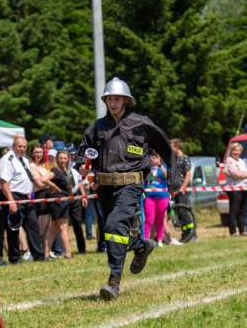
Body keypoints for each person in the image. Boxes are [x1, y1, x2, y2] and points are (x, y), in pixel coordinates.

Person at [76, 77, 179, 301]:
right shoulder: (97, 127)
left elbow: (166, 148)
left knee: (114, 226)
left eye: (117, 99)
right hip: (104, 186)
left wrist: (173, 181)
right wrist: (81, 166)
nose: (112, 103)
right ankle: (141, 247)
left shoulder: (141, 123)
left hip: (132, 185)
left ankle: (114, 281)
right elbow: (83, 153)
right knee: (113, 232)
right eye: (109, 99)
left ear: (126, 100)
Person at [0, 137, 50, 265]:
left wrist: (29, 192)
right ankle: (15, 258)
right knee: (14, 228)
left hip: (26, 197)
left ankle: (38, 255)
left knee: (33, 225)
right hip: (12, 196)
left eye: (24, 147)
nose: (22, 149)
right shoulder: (7, 159)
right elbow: (4, 182)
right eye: (19, 146)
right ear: (13, 146)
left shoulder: (24, 160)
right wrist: (11, 201)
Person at [29, 142, 61, 256]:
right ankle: (30, 251)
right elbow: (38, 183)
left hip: (48, 194)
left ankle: (45, 251)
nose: (39, 154)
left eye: (40, 152)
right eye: (36, 152)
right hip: (41, 195)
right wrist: (53, 184)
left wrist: (49, 183)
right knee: (41, 226)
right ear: (32, 153)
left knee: (48, 226)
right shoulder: (32, 166)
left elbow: (45, 180)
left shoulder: (43, 165)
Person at [44, 150, 74, 259]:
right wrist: (54, 186)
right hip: (58, 201)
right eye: (60, 158)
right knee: (63, 227)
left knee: (53, 229)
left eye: (65, 158)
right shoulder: (56, 170)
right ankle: (67, 254)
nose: (63, 160)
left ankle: (46, 254)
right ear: (57, 159)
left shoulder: (64, 171)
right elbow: (44, 179)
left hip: (62, 201)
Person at [223, 143, 247, 237]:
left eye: (238, 150)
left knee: (242, 210)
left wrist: (246, 175)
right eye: (234, 150)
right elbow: (235, 175)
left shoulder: (240, 161)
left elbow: (246, 173)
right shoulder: (229, 160)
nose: (236, 152)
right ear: (231, 151)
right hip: (234, 189)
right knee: (234, 210)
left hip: (244, 188)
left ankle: (242, 230)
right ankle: (233, 231)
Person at [143, 150, 171, 246]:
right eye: (151, 156)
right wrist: (149, 167)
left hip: (163, 196)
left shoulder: (164, 167)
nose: (153, 158)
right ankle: (145, 240)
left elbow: (167, 176)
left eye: (155, 156)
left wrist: (159, 165)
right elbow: (143, 179)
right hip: (149, 197)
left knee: (160, 219)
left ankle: (159, 240)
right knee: (148, 219)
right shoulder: (147, 169)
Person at [169, 139, 194, 241]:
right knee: (179, 212)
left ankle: (192, 234)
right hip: (176, 188)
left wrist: (183, 187)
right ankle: (185, 234)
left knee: (184, 211)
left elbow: (188, 174)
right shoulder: (174, 159)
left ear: (177, 147)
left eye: (172, 147)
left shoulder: (185, 158)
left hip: (183, 189)